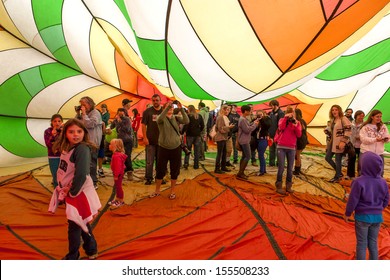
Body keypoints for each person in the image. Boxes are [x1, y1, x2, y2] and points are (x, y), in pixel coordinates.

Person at [49, 118, 101, 260]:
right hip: (69, 191)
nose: (76, 135)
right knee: (81, 221)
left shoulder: (82, 149)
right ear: (65, 133)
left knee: (74, 225)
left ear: (84, 133)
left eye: (79, 131)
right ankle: (91, 249)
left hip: (78, 192)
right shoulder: (68, 148)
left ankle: (72, 256)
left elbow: (82, 174)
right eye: (71, 132)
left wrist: (71, 192)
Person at [344, 151, 389, 260]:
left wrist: (348, 213)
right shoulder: (383, 182)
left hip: (362, 218)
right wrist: (378, 209)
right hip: (377, 218)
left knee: (362, 243)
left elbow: (352, 200)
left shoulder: (358, 182)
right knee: (373, 243)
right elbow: (387, 199)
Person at [149, 101, 189, 199]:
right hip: (163, 148)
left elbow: (186, 121)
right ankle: (157, 190)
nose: (170, 108)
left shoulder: (176, 117)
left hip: (176, 147)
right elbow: (160, 119)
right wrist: (167, 108)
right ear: (164, 108)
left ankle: (172, 191)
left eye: (171, 107)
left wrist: (181, 109)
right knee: (160, 170)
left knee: (174, 170)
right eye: (168, 107)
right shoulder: (160, 118)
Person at [77, 96, 103, 189]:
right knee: (86, 163)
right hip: (85, 142)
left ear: (90, 104)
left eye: (84, 104)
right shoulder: (85, 114)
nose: (82, 106)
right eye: (81, 105)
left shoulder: (95, 113)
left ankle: (94, 182)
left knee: (92, 163)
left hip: (93, 143)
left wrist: (83, 113)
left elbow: (90, 124)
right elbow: (78, 123)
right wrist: (78, 113)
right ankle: (87, 181)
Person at [275, 107, 302, 194]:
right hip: (281, 146)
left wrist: (295, 126)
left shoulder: (297, 122)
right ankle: (279, 185)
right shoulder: (282, 119)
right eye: (290, 113)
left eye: (293, 113)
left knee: (290, 168)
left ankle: (288, 186)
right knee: (281, 167)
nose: (291, 114)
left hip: (291, 147)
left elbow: (299, 135)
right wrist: (286, 118)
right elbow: (281, 128)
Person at [324, 105, 352, 183]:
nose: (334, 111)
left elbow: (348, 130)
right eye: (333, 110)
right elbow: (334, 132)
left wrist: (343, 141)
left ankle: (337, 177)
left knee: (338, 160)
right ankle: (339, 172)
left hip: (340, 142)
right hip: (332, 142)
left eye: (336, 110)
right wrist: (328, 131)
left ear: (339, 110)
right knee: (327, 157)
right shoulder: (333, 120)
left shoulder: (343, 118)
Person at [359, 109, 390, 176]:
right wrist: (375, 139)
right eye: (377, 116)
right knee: (365, 172)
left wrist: (386, 139)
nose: (379, 118)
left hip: (379, 153)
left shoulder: (383, 126)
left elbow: (387, 137)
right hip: (367, 153)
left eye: (380, 116)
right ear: (372, 117)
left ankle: (378, 185)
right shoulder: (365, 127)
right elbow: (363, 139)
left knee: (380, 172)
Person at [142, 94, 163, 185]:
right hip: (150, 140)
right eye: (153, 100)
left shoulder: (164, 111)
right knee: (149, 161)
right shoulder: (147, 112)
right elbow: (143, 125)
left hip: (162, 141)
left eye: (157, 100)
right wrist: (144, 137)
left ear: (160, 100)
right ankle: (148, 178)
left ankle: (159, 177)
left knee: (160, 161)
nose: (155, 102)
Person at [107, 108, 134, 181]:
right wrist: (108, 129)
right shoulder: (116, 120)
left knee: (127, 156)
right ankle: (121, 171)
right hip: (119, 142)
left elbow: (127, 129)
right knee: (120, 157)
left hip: (128, 141)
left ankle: (129, 171)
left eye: (122, 112)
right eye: (119, 112)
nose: (120, 113)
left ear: (124, 113)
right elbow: (111, 127)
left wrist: (120, 122)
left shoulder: (127, 120)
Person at [236, 105, 259, 179]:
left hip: (244, 140)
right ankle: (241, 173)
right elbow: (247, 130)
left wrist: (253, 123)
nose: (250, 112)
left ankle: (240, 172)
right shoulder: (242, 119)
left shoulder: (243, 119)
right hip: (244, 140)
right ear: (245, 111)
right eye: (249, 111)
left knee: (244, 156)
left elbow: (247, 127)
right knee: (248, 156)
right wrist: (255, 125)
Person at [214, 105, 235, 174]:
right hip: (220, 137)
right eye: (227, 110)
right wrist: (229, 127)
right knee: (220, 153)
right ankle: (217, 168)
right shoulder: (220, 117)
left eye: (229, 110)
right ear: (223, 110)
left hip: (224, 137)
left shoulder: (224, 117)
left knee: (224, 152)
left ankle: (223, 167)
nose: (228, 111)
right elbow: (220, 129)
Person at [44, 114, 63, 186]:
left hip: (64, 156)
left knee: (64, 175)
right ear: (51, 122)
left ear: (62, 122)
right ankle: (56, 193)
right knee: (55, 175)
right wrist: (53, 135)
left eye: (59, 121)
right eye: (55, 121)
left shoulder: (64, 131)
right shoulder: (47, 131)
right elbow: (48, 144)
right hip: (53, 157)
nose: (57, 123)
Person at [182, 105, 204, 169]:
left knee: (188, 150)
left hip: (189, 135)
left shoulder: (188, 116)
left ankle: (186, 163)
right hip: (197, 135)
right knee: (197, 151)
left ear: (189, 109)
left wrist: (182, 132)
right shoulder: (199, 116)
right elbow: (202, 125)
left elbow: (186, 125)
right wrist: (199, 131)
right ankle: (196, 165)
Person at [108, 138, 127, 209]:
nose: (109, 145)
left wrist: (116, 175)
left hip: (118, 174)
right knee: (117, 187)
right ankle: (117, 199)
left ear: (115, 146)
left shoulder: (116, 156)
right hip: (118, 173)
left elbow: (118, 167)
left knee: (118, 187)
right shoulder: (116, 155)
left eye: (110, 144)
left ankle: (120, 200)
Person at [348, 110, 365, 178]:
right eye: (360, 116)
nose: (361, 117)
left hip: (361, 145)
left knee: (361, 161)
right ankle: (350, 175)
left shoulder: (365, 124)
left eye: (362, 116)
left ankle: (360, 175)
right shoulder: (351, 124)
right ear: (356, 116)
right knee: (351, 159)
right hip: (352, 144)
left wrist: (360, 137)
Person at [268, 100, 285, 166]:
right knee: (271, 149)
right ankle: (271, 163)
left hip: (278, 135)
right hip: (271, 134)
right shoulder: (271, 113)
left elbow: (281, 125)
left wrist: (278, 134)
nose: (271, 107)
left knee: (278, 150)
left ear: (275, 105)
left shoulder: (281, 113)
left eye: (271, 106)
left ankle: (279, 163)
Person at [255, 110, 271, 176]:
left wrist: (261, 120)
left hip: (263, 140)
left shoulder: (267, 120)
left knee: (261, 155)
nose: (259, 116)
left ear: (264, 114)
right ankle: (263, 170)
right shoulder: (257, 121)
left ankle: (262, 171)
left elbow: (267, 126)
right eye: (258, 115)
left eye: (261, 114)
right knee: (261, 155)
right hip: (258, 139)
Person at [293, 108, 308, 175]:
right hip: (303, 140)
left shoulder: (299, 121)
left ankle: (297, 171)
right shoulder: (302, 121)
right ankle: (298, 169)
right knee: (297, 155)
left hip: (300, 140)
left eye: (293, 113)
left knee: (297, 155)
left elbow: (299, 131)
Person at [97, 104, 110, 178]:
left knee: (100, 154)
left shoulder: (105, 118)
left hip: (101, 138)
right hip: (94, 140)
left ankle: (100, 169)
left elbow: (104, 131)